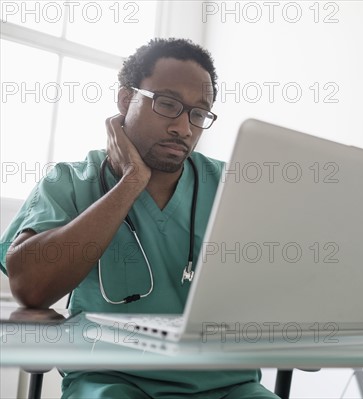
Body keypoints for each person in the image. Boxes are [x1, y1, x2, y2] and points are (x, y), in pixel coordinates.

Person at [0, 38, 279, 399]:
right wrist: (131, 182)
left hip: (228, 386)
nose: (184, 128)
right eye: (167, 104)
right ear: (124, 99)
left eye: (199, 113)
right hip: (111, 380)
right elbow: (30, 287)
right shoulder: (71, 181)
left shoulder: (233, 186)